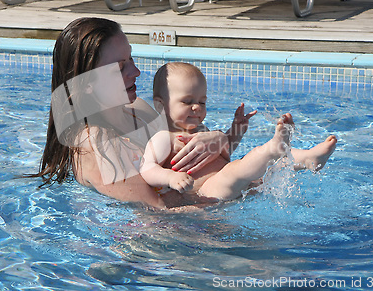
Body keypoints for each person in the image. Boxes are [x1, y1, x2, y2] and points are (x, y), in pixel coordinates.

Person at [31, 17, 243, 209]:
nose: (136, 72)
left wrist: (218, 139)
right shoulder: (97, 144)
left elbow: (183, 143)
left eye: (131, 59)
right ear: (87, 84)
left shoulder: (138, 109)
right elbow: (158, 213)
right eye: (119, 68)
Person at [140, 62, 337, 201]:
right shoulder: (164, 138)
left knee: (267, 172)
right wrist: (170, 178)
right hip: (206, 192)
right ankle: (274, 147)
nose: (197, 108)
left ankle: (308, 159)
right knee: (236, 170)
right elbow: (147, 169)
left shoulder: (202, 131)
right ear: (160, 105)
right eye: (187, 101)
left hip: (231, 186)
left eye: (202, 102)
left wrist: (236, 130)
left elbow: (225, 152)